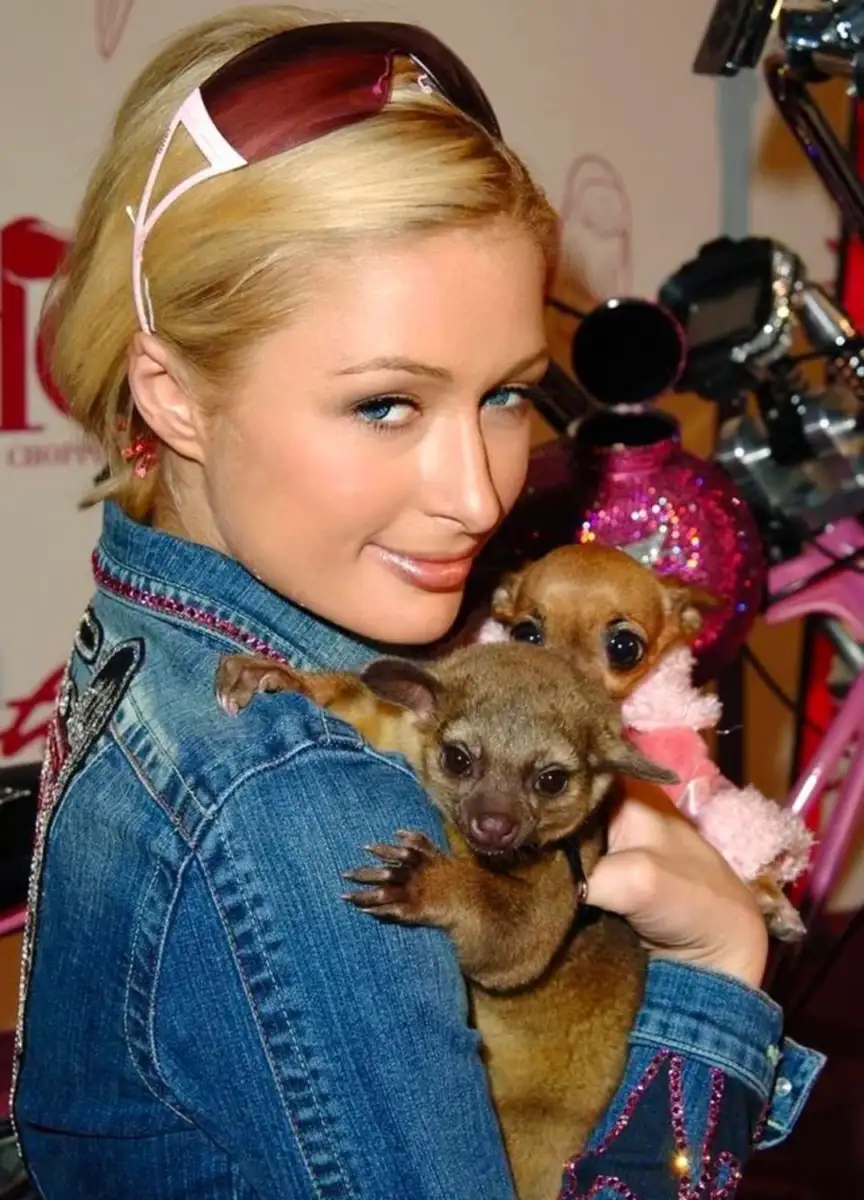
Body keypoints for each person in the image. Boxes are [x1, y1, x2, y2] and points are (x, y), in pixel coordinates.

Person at [12, 7, 823, 1198]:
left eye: (506, 396)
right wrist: (715, 973)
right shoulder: (301, 803)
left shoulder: (168, 643)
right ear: (173, 396)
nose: (480, 493)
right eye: (386, 404)